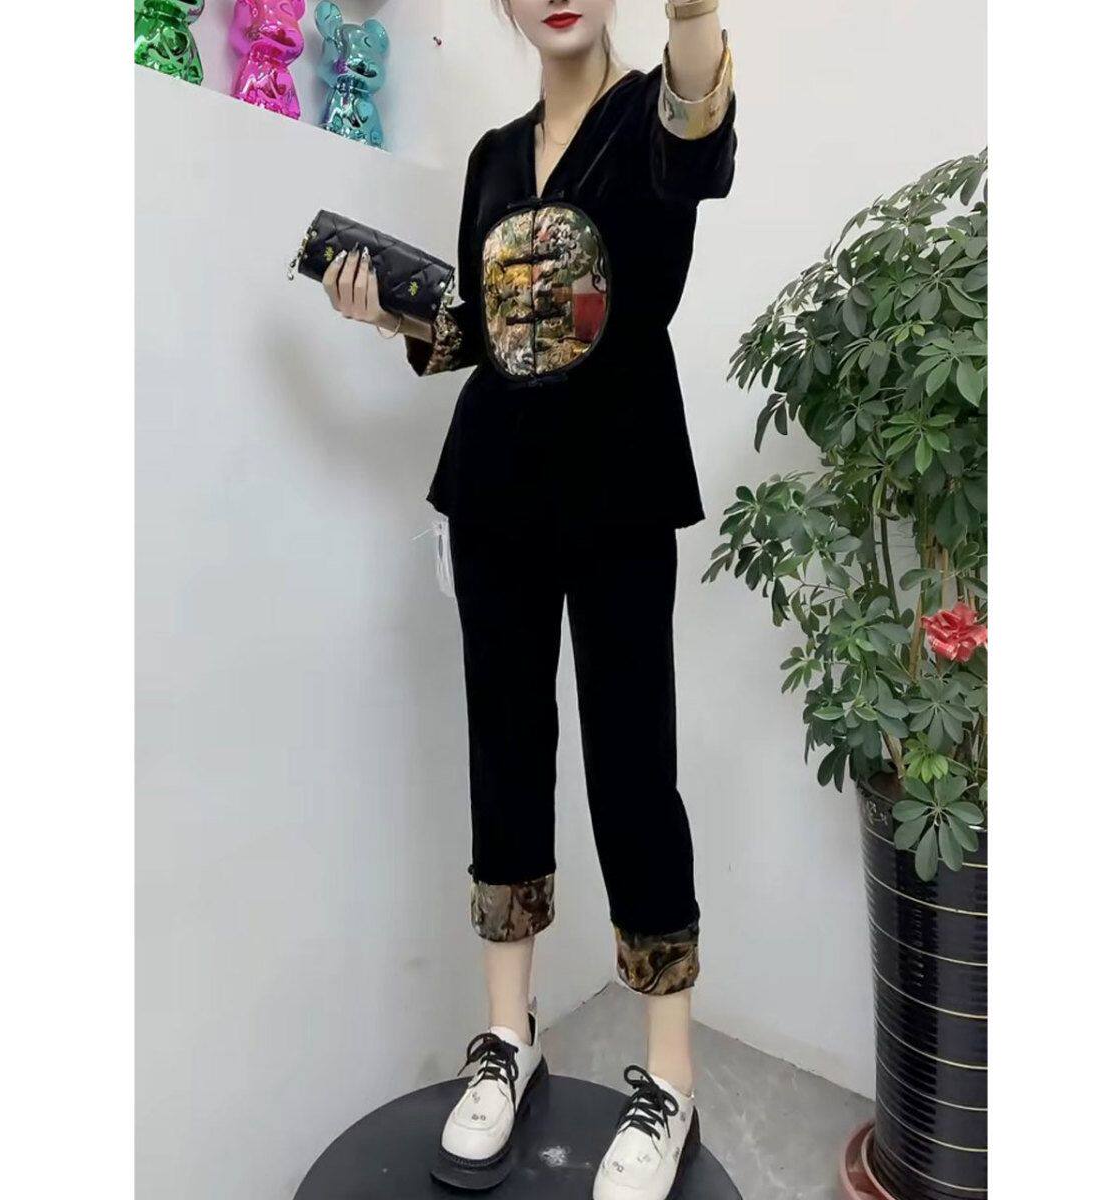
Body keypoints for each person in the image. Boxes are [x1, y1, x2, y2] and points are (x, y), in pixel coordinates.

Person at [321, 2, 736, 1196]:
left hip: (620, 488)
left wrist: (698, 14)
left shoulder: (653, 115)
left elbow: (699, 118)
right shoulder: (494, 157)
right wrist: (392, 312)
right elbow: (488, 329)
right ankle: (508, 1036)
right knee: (505, 752)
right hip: (495, 489)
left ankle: (670, 1080)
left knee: (632, 769)